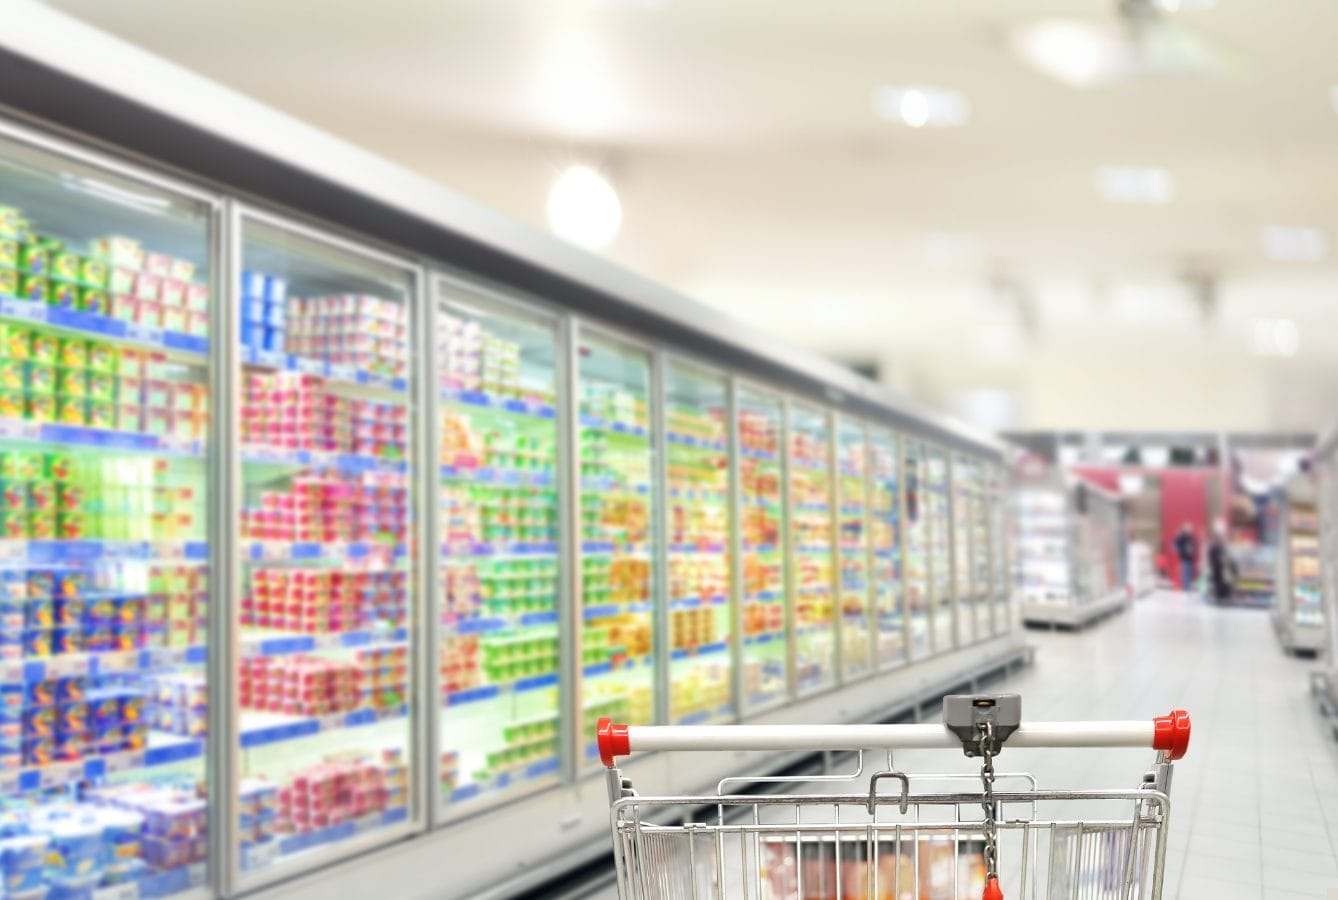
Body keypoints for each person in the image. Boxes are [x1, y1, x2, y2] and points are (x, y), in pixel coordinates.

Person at [1206, 522, 1233, 604]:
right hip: (1217, 566)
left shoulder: (1218, 544)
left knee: (1220, 581)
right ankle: (1219, 596)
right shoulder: (1215, 545)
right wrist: (1219, 560)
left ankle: (1221, 595)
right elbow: (1212, 555)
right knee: (1218, 581)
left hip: (1219, 566)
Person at [1173, 523, 1197, 592]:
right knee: (1185, 574)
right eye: (1189, 529)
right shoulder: (1181, 537)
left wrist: (1193, 549)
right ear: (1185, 529)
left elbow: (1194, 545)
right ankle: (1185, 588)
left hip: (1190, 558)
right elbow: (1174, 546)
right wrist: (1183, 550)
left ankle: (1188, 588)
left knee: (1189, 574)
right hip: (1184, 558)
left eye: (1190, 529)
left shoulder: (1190, 537)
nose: (1190, 531)